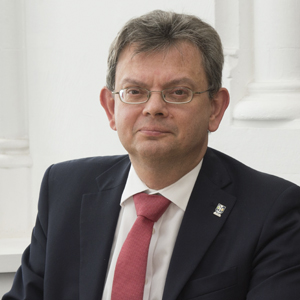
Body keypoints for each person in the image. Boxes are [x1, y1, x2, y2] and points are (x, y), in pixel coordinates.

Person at [3, 10, 300, 300]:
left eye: (178, 92)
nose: (153, 107)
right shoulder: (63, 188)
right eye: (134, 91)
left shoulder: (273, 211)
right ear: (110, 108)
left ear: (215, 108)